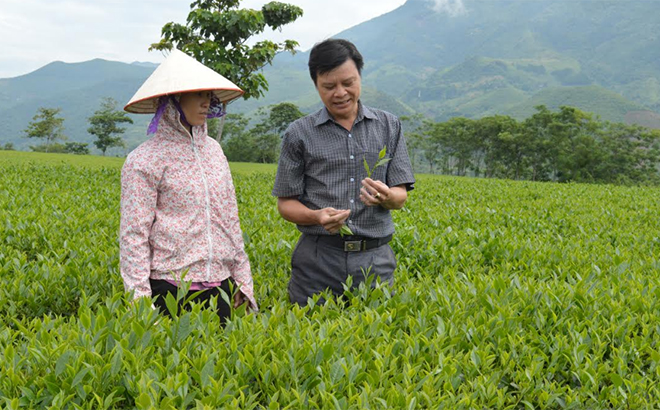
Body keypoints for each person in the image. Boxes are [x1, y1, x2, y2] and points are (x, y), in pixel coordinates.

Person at [272, 39, 416, 306]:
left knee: (374, 339)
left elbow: (401, 195)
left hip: (375, 260)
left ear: (360, 76)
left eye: (348, 83)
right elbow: (286, 204)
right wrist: (316, 216)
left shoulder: (388, 125)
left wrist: (387, 197)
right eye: (328, 86)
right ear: (316, 85)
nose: (340, 93)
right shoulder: (299, 133)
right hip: (317, 260)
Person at [120, 49, 257, 319]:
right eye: (198, 94)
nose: (206, 102)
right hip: (170, 290)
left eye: (208, 95)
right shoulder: (143, 160)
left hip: (221, 286)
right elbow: (133, 235)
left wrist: (243, 279)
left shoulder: (215, 151)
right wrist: (139, 302)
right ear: (173, 99)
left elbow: (230, 219)